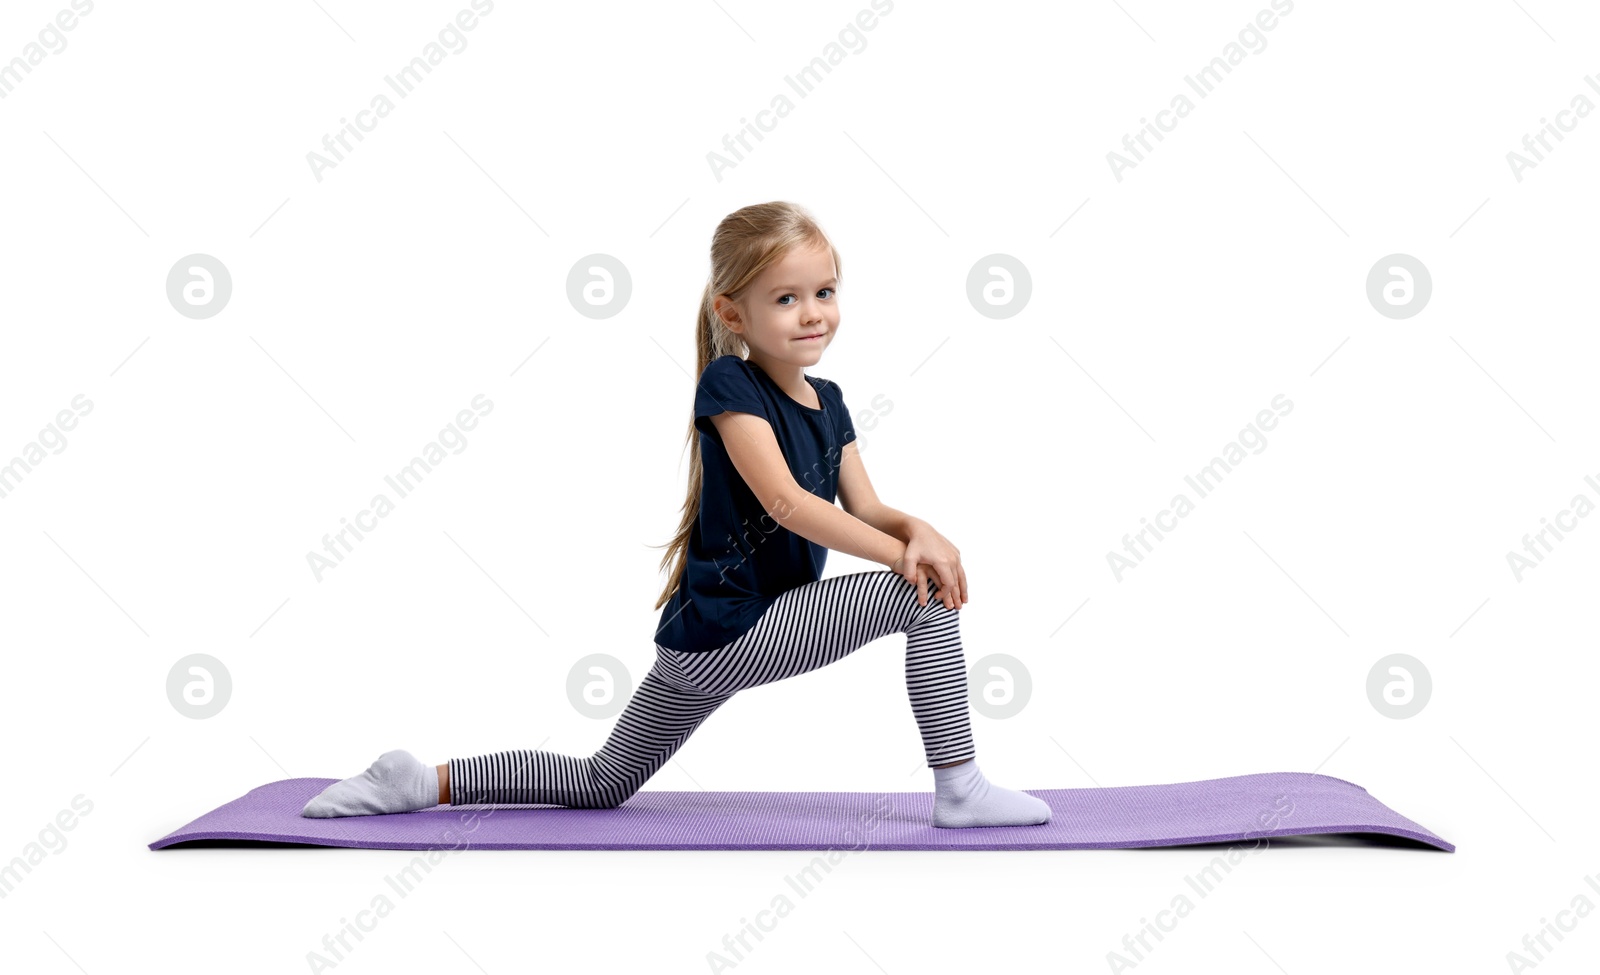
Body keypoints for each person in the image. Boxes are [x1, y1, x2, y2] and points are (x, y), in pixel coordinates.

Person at [301, 201, 1051, 828]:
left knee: (603, 781)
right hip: (734, 628)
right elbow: (786, 503)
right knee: (915, 592)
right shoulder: (730, 384)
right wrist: (904, 559)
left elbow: (867, 507)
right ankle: (959, 786)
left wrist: (918, 530)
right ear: (734, 311)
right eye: (785, 299)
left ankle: (416, 780)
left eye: (824, 292)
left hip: (715, 638)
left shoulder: (833, 402)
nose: (812, 313)